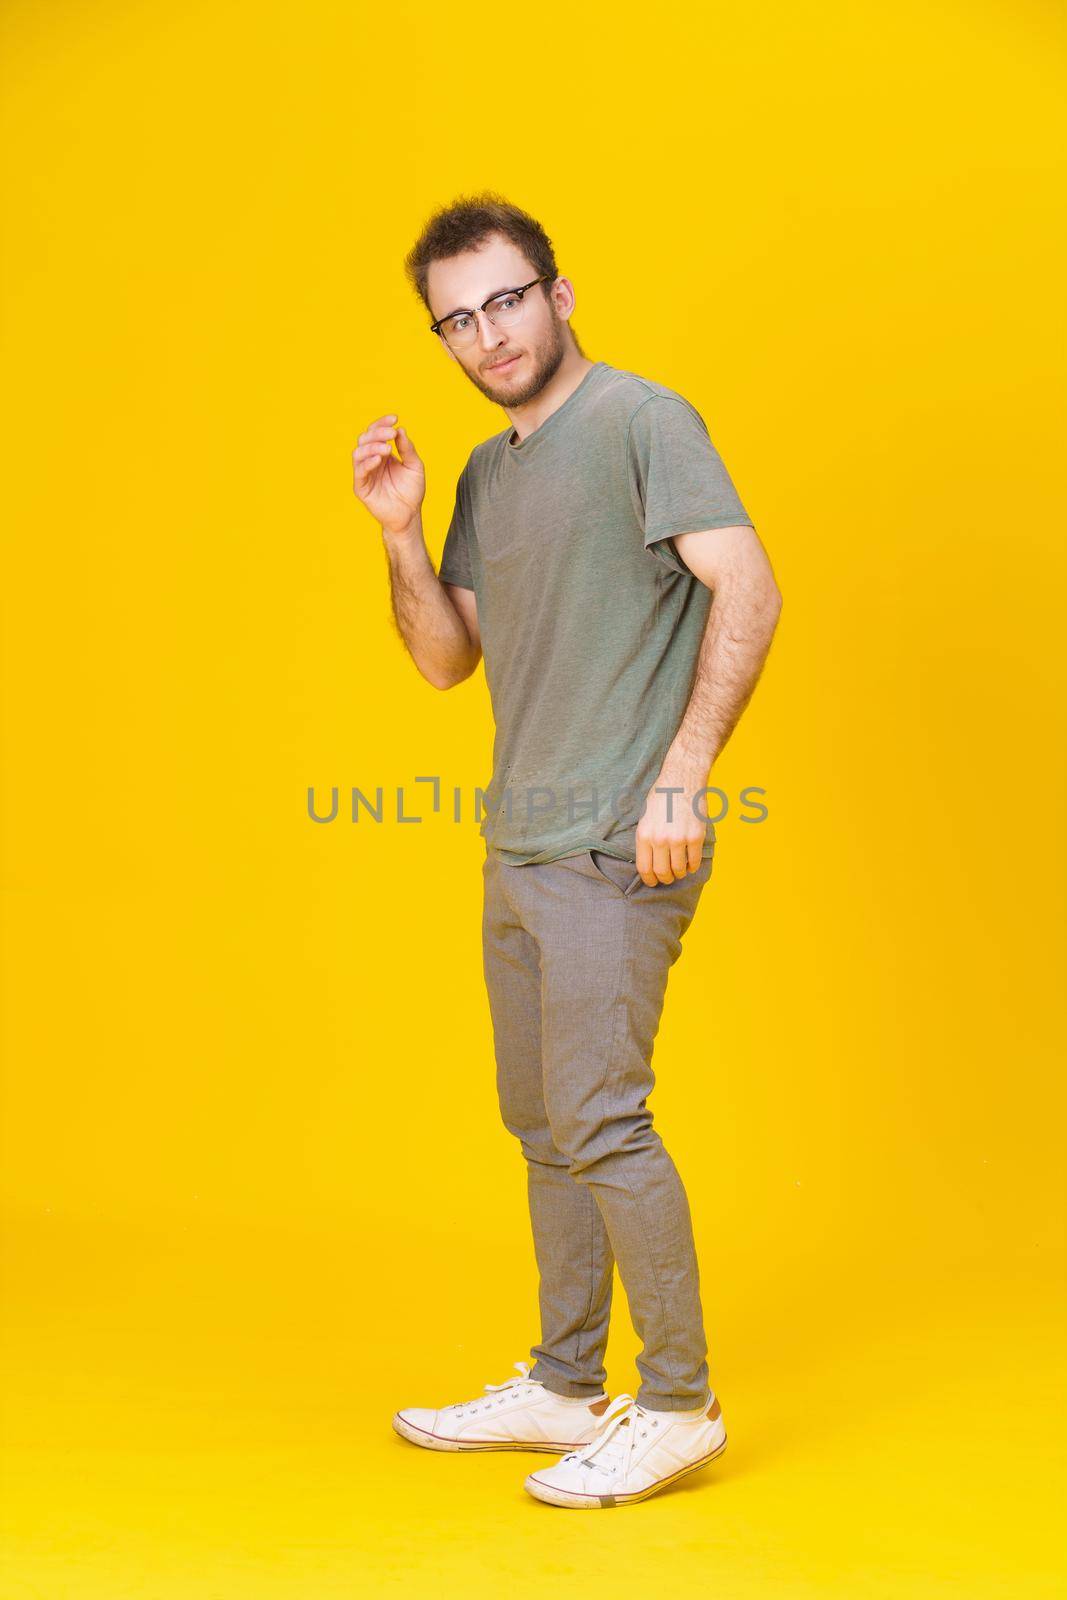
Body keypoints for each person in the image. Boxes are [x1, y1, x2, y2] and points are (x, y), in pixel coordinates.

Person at [350, 193, 782, 1509]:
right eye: (459, 319)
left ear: (561, 292)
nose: (488, 334)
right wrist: (397, 530)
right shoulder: (491, 474)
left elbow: (750, 582)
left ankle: (677, 1400)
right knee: (542, 1123)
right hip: (520, 841)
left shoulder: (642, 421)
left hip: (616, 841)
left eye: (507, 299)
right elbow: (443, 661)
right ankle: (561, 1378)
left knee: (601, 1118)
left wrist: (684, 781)